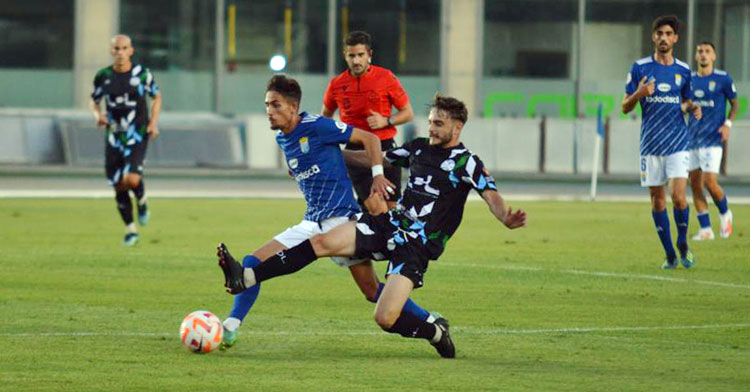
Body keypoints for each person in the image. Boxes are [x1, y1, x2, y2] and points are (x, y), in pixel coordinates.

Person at [218, 94, 527, 358]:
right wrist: (329, 155)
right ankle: (247, 277)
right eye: (431, 121)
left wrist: (504, 217)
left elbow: (491, 196)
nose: (431, 128)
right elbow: (375, 158)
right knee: (322, 242)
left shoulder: (466, 162)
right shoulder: (417, 147)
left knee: (384, 316)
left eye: (439, 123)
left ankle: (434, 332)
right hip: (391, 224)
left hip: (418, 244)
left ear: (457, 127)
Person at [218, 74, 438, 349]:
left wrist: (378, 175)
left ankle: (430, 321)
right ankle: (230, 326)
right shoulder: (284, 139)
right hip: (311, 221)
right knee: (251, 262)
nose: (269, 111)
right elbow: (318, 160)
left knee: (372, 292)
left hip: (341, 221)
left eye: (275, 105)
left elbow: (369, 138)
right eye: (266, 105)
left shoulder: (317, 125)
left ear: (293, 107)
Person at [621, 15, 702, 270]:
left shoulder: (683, 70)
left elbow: (686, 101)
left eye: (668, 33)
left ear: (675, 38)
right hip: (651, 145)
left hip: (678, 142)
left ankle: (682, 243)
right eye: (659, 33)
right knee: (658, 201)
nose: (663, 38)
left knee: (679, 197)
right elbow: (624, 106)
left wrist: (692, 107)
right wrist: (639, 93)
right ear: (653, 37)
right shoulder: (639, 68)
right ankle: (669, 254)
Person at [322, 30, 414, 211]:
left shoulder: (385, 77)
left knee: (392, 207)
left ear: (369, 55)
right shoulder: (337, 84)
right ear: (345, 56)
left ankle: (368, 233)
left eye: (360, 55)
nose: (356, 60)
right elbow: (325, 117)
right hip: (355, 150)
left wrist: (386, 121)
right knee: (377, 209)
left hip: (385, 148)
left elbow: (408, 112)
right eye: (351, 56)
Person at [89, 34, 161, 246]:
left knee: (131, 179)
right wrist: (98, 115)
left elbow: (156, 96)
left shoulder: (141, 74)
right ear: (112, 51)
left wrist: (153, 122)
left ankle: (141, 200)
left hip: (137, 132)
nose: (120, 52)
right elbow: (94, 101)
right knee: (118, 185)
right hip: (114, 136)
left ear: (131, 50)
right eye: (116, 49)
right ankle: (131, 231)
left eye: (124, 48)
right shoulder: (103, 76)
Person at [687, 42, 737, 240]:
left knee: (709, 182)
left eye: (707, 51)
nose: (703, 55)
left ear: (714, 56)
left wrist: (728, 124)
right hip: (692, 139)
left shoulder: (723, 79)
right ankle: (705, 229)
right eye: (700, 51)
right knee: (695, 185)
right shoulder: (688, 80)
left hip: (713, 138)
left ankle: (725, 213)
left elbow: (735, 104)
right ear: (696, 56)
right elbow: (684, 104)